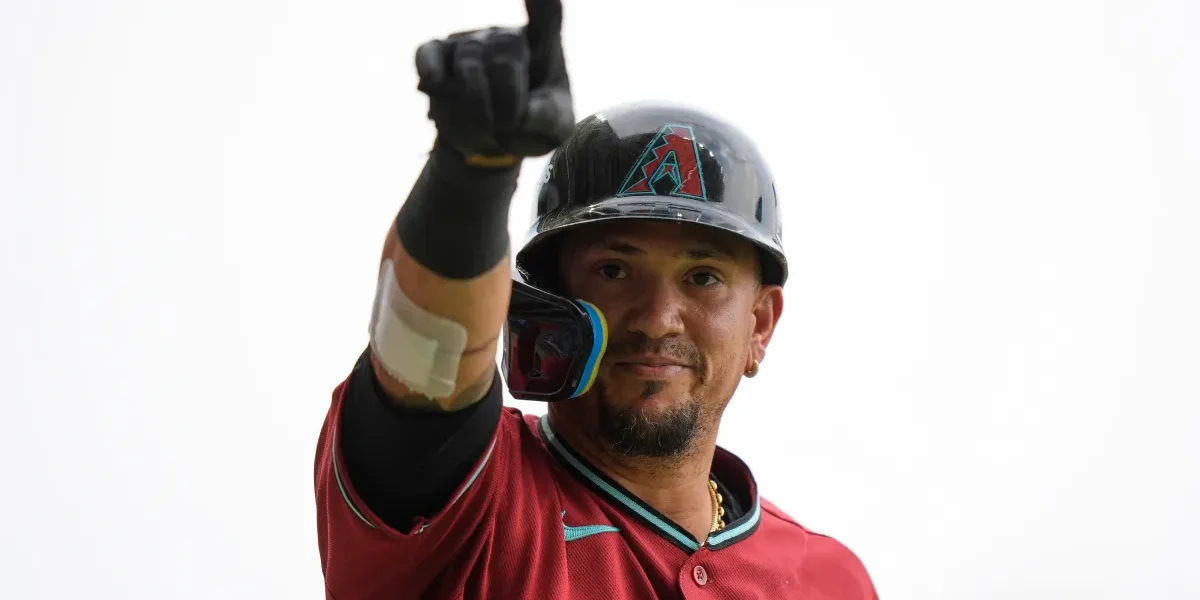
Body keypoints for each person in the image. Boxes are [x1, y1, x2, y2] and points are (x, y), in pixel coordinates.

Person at [313, 0, 879, 597]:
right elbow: (427, 353)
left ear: (760, 325)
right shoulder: (471, 494)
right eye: (614, 270)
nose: (658, 319)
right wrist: (470, 175)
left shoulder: (831, 581)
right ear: (551, 297)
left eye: (703, 277)